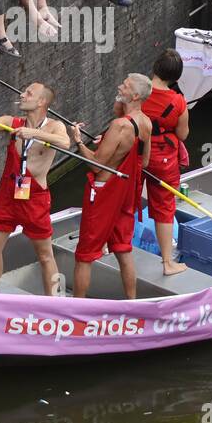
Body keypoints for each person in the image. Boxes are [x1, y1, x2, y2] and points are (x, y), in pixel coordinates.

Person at [0, 82, 69, 294]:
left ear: (41, 102)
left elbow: (65, 143)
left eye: (28, 93)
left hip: (35, 198)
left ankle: (53, 303)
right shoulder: (11, 122)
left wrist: (34, 134)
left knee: (44, 254)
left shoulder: (54, 126)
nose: (22, 95)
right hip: (8, 195)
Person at [68, 73, 153, 299]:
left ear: (135, 95)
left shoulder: (120, 125)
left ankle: (77, 307)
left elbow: (95, 165)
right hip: (125, 194)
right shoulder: (146, 123)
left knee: (84, 255)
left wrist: (77, 140)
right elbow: (143, 161)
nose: (119, 86)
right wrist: (110, 145)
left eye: (124, 86)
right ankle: (132, 302)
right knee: (123, 249)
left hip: (103, 192)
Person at [142, 49, 190, 275]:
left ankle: (107, 247)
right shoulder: (178, 102)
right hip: (163, 158)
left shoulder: (137, 90)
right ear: (176, 78)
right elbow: (182, 135)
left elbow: (119, 113)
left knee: (123, 199)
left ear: (154, 67)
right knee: (164, 208)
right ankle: (167, 263)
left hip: (134, 152)